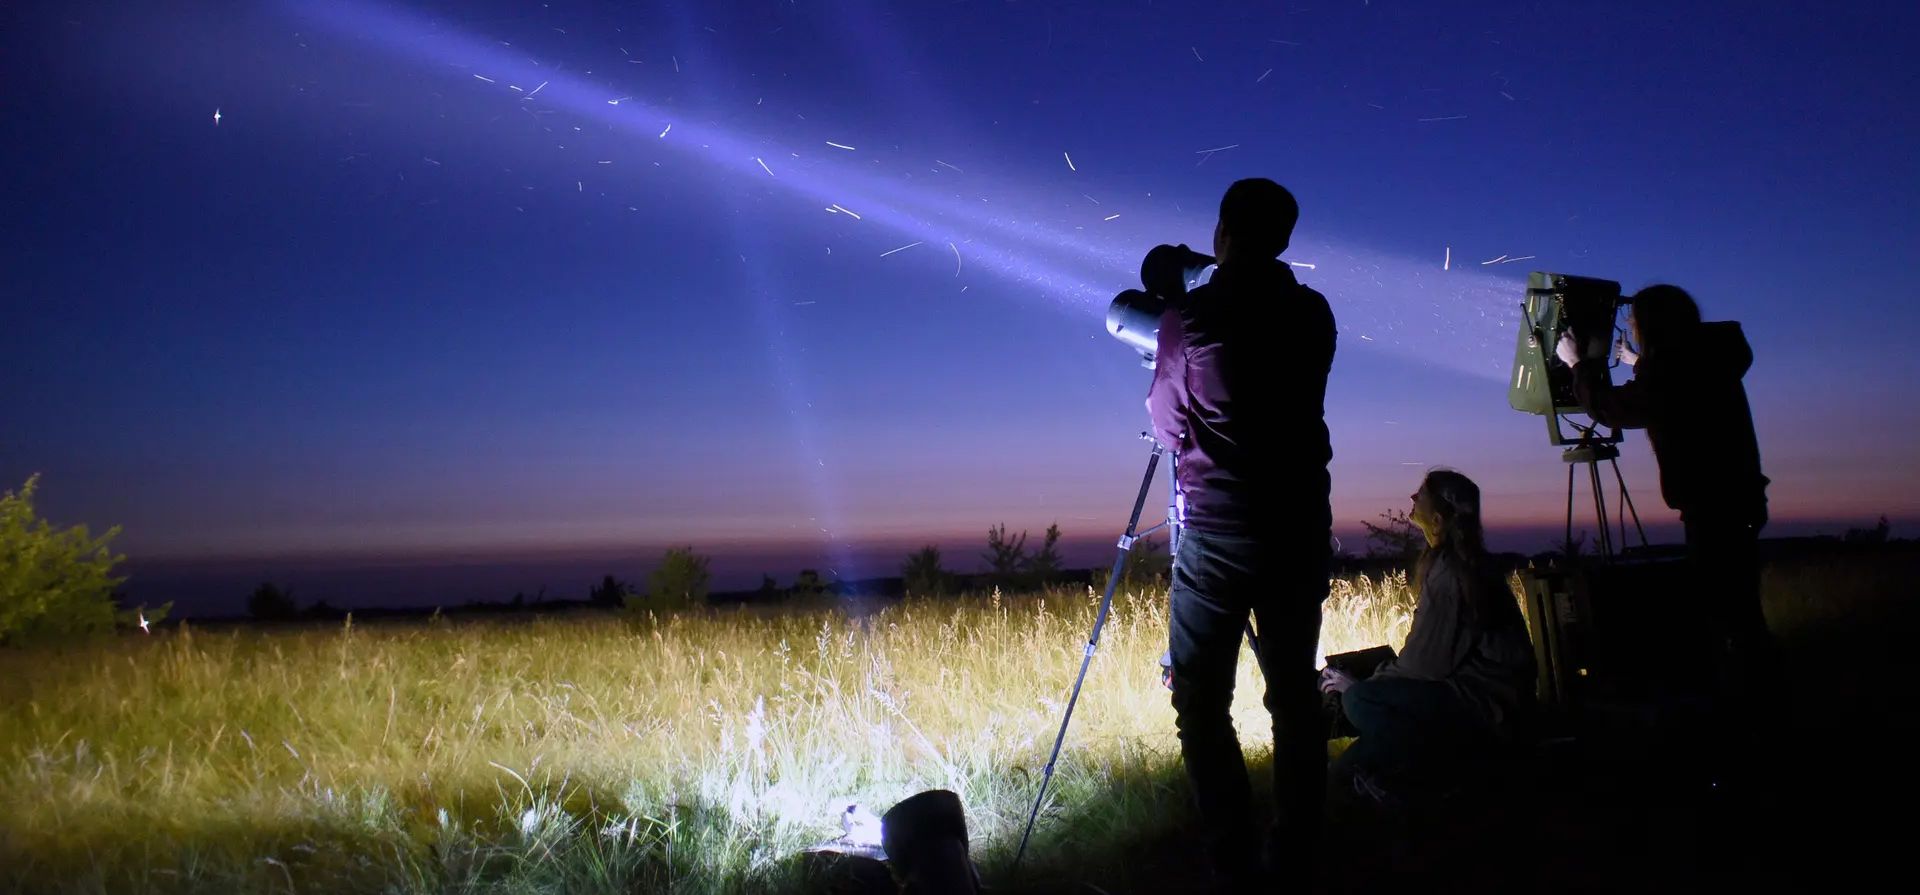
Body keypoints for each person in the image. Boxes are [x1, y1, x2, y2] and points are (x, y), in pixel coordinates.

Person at [1146, 177, 1336, 886]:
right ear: (1284, 239)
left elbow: (1168, 425)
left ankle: (1232, 856)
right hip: (1296, 527)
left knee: (1200, 702)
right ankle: (1297, 852)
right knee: (1294, 697)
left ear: (1222, 231)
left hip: (1218, 532)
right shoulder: (1314, 312)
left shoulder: (1188, 320)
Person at [1553, 286, 1777, 715]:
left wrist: (1576, 363)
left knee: (1727, 617)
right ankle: (1756, 695)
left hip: (1713, 508)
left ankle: (1746, 709)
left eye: (1637, 324)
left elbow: (1613, 408)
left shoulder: (1673, 372)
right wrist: (1639, 363)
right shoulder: (1711, 355)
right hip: (1741, 498)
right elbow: (1673, 382)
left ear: (1650, 325)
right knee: (1741, 608)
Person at [1319, 470, 1537, 802]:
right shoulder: (1458, 564)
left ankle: (1421, 776)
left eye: (1420, 493)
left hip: (1488, 706)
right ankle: (1376, 773)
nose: (1412, 498)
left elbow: (1427, 664)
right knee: (1355, 750)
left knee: (1359, 701)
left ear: (1437, 518)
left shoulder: (1454, 572)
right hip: (1488, 697)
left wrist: (1360, 685)